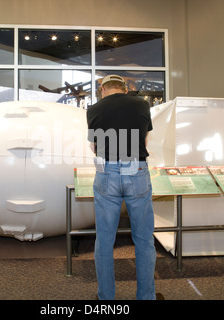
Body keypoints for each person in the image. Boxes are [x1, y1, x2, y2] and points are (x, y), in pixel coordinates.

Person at [86, 74, 157, 300]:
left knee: (105, 240)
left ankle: (106, 298)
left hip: (107, 171)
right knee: (144, 239)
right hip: (136, 170)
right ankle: (146, 298)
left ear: (103, 90)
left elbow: (94, 146)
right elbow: (144, 141)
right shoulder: (142, 105)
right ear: (125, 89)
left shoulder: (94, 109)